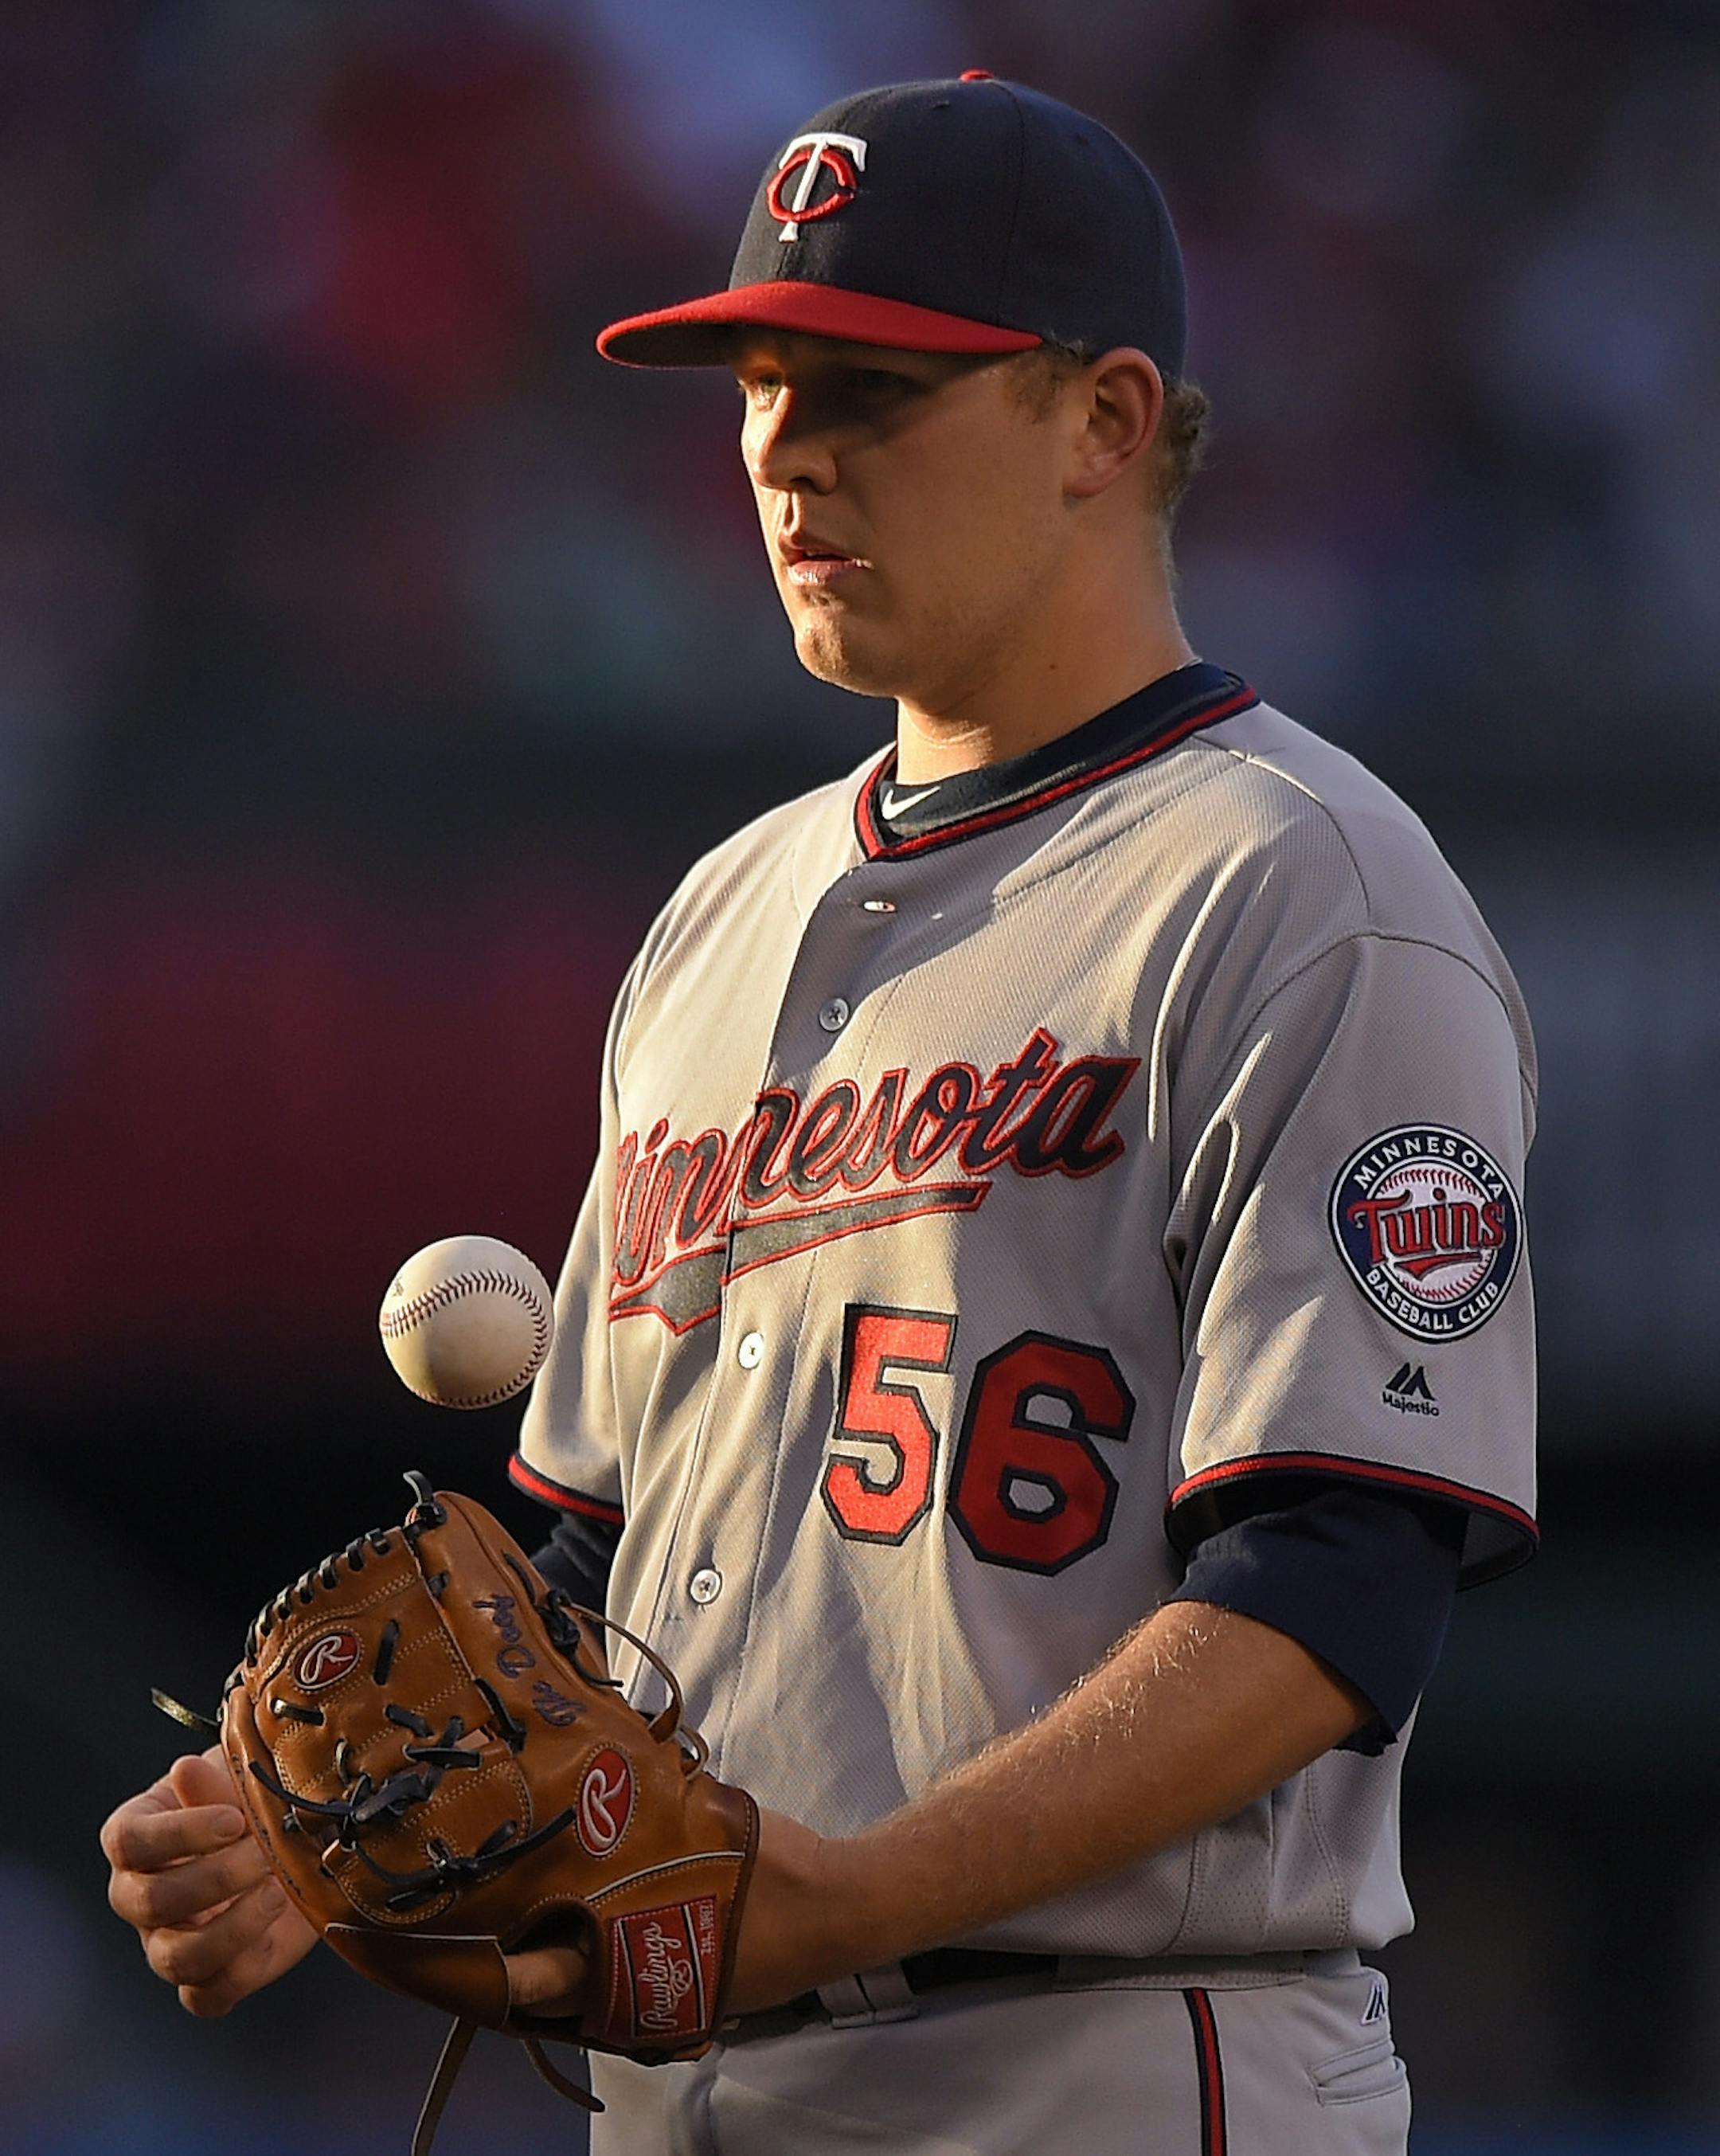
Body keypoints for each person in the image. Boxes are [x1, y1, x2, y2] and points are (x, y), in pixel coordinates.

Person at [103, 73, 1538, 2154]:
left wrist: (849, 1892)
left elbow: (1335, 1593)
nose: (784, 448)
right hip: (689, 2090)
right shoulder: (717, 916)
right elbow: (595, 1557)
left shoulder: (1304, 890)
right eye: (766, 381)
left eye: (877, 386)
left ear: (1106, 423)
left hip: (1116, 2062)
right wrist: (301, 1831)